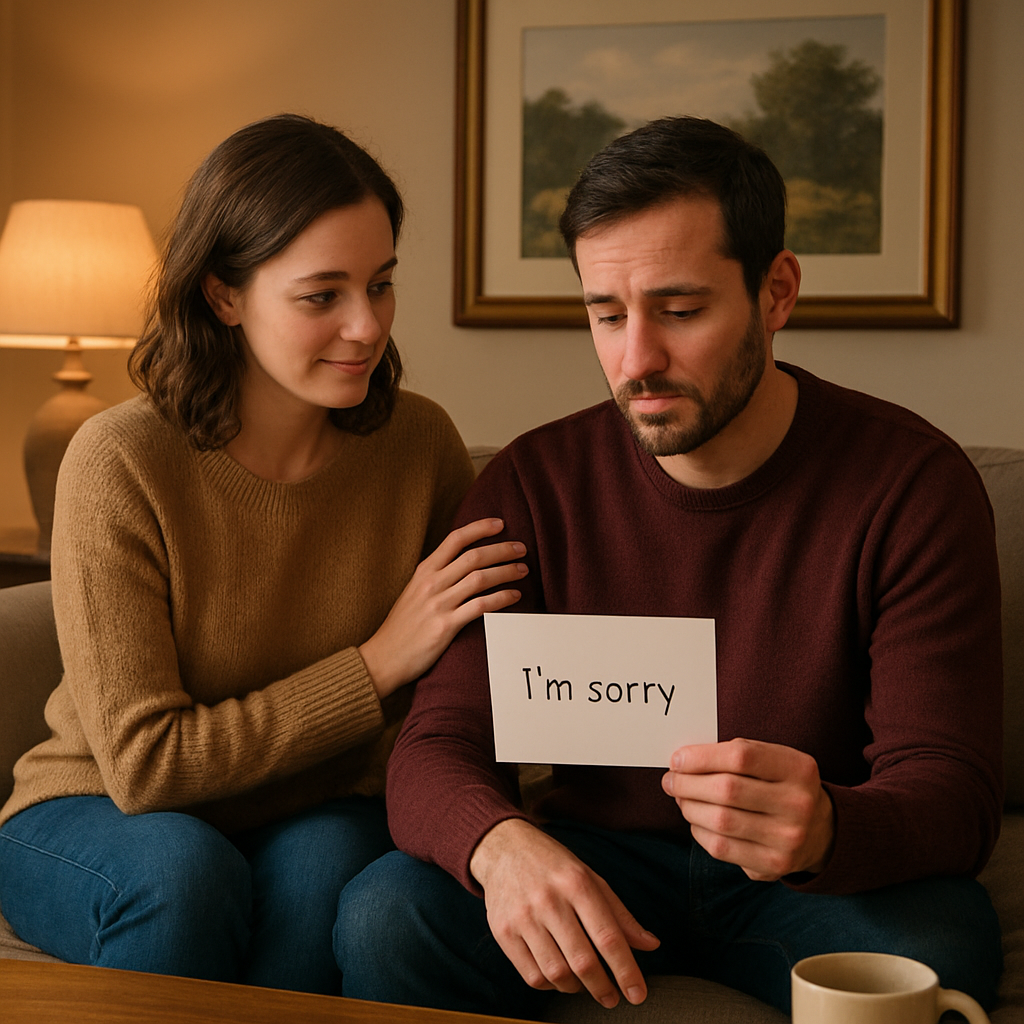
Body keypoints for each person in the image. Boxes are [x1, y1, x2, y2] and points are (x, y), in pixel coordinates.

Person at [334, 116, 1004, 1018]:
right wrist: (498, 843)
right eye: (606, 315)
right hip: (593, 862)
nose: (636, 359)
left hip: (802, 883)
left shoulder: (911, 486)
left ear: (777, 291)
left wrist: (831, 828)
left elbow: (953, 791)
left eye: (680, 311)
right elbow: (437, 741)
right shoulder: (535, 483)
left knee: (942, 943)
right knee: (386, 915)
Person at [0, 113, 528, 994]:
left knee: (328, 872)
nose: (367, 326)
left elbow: (445, 706)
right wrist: (375, 664)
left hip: (309, 808)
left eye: (382, 284)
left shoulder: (419, 444)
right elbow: (146, 767)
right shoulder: (120, 458)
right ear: (224, 295)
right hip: (94, 810)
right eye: (323, 295)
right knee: (183, 874)